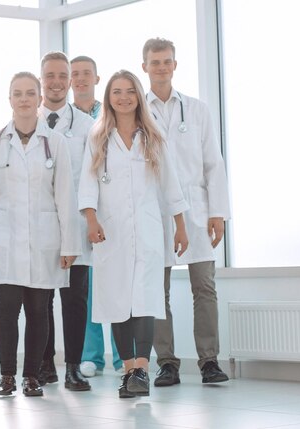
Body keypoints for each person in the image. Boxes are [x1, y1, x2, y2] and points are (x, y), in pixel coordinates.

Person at [78, 69, 189, 398]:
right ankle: (129, 371)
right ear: (108, 98)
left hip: (148, 230)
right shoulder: (97, 137)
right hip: (110, 232)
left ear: (138, 96)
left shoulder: (153, 137)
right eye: (116, 92)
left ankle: (140, 369)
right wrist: (91, 219)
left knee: (144, 300)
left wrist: (181, 227)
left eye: (129, 91)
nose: (123, 97)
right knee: (117, 302)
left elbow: (171, 185)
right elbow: (87, 183)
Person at [0, 72, 80, 397]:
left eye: (30, 93)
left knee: (37, 310)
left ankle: (31, 376)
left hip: (44, 242)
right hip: (2, 241)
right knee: (6, 309)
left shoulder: (55, 142)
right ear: (9, 100)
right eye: (17, 93)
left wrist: (69, 243)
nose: (23, 99)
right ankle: (6, 376)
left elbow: (65, 195)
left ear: (39, 98)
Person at [141, 37, 231, 386]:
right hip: (156, 211)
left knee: (204, 287)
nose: (161, 67)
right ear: (144, 66)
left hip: (196, 210)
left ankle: (210, 361)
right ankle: (167, 362)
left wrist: (218, 212)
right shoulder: (138, 111)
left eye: (167, 61)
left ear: (175, 65)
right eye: (155, 62)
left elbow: (213, 164)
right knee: (156, 290)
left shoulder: (197, 110)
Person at [37, 51, 94, 391]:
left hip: (75, 224)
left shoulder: (87, 126)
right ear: (41, 79)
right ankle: (46, 365)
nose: (57, 82)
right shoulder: (29, 121)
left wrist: (91, 219)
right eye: (50, 76)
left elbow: (92, 177)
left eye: (63, 75)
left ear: (70, 80)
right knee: (41, 299)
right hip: (41, 225)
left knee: (75, 299)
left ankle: (73, 367)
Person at [70, 55, 123, 377]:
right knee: (85, 286)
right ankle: (91, 356)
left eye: (86, 73)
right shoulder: (61, 118)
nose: (80, 79)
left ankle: (122, 356)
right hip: (80, 209)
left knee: (116, 282)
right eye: (74, 74)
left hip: (111, 206)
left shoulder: (111, 114)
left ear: (97, 78)